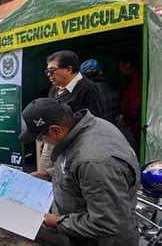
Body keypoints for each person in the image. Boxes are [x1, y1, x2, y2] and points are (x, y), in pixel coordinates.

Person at [19, 98, 140, 246]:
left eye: (40, 137)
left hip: (101, 241)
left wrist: (57, 221)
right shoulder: (91, 126)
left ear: (56, 130)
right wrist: (49, 173)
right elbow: (74, 163)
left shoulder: (94, 162)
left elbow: (107, 223)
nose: (42, 143)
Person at [38, 50, 102, 171]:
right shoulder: (54, 88)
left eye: (52, 71)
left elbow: (93, 123)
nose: (49, 75)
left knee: (65, 178)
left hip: (75, 146)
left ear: (68, 69)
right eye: (47, 71)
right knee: (43, 175)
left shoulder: (87, 88)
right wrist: (45, 137)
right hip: (51, 142)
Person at [80, 59, 120, 124]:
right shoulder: (114, 88)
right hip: (113, 129)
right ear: (100, 72)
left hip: (96, 131)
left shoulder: (86, 93)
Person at [118, 52, 142, 154]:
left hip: (133, 126)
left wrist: (127, 119)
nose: (119, 69)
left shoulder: (135, 79)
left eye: (120, 65)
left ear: (127, 65)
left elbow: (135, 103)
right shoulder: (132, 78)